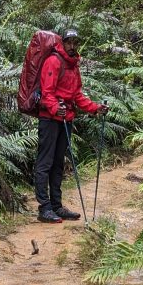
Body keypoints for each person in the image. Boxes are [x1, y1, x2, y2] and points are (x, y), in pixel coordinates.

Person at [35, 29, 108, 223]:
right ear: (62, 42)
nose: (72, 46)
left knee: (58, 163)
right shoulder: (53, 61)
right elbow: (47, 93)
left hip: (66, 119)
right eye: (69, 42)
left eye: (75, 42)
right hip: (50, 119)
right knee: (45, 162)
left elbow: (77, 96)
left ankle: (57, 206)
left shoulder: (74, 65)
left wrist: (95, 108)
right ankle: (44, 208)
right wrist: (55, 108)